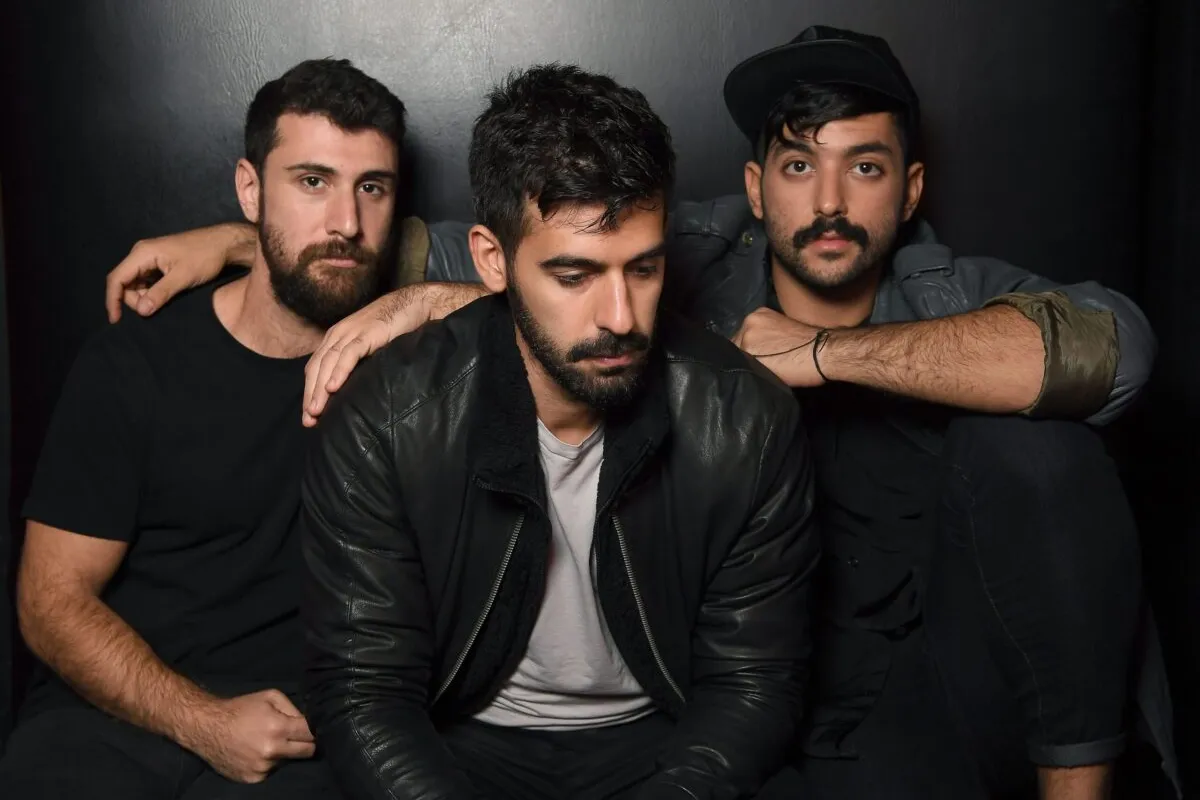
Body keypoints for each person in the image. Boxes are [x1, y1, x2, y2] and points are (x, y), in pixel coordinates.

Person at [101, 26, 1176, 800]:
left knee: (1042, 454)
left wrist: (816, 355)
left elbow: (1114, 349)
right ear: (757, 188)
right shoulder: (686, 255)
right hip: (708, 702)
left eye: (868, 166)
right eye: (800, 164)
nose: (832, 201)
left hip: (894, 674)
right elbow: (448, 238)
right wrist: (242, 243)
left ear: (912, 185)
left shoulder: (928, 305)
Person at [300, 63, 818, 800]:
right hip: (461, 741)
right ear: (492, 261)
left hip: (663, 741)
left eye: (642, 270)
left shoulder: (744, 421)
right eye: (574, 276)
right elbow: (363, 694)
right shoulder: (387, 418)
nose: (619, 315)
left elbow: (754, 687)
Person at [0, 58, 407, 799]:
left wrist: (411, 304)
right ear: (250, 190)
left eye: (371, 188)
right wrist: (203, 722)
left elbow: (542, 304)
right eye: (312, 182)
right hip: (116, 715)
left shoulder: (405, 372)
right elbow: (49, 601)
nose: (346, 223)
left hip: (295, 735)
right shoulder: (135, 364)